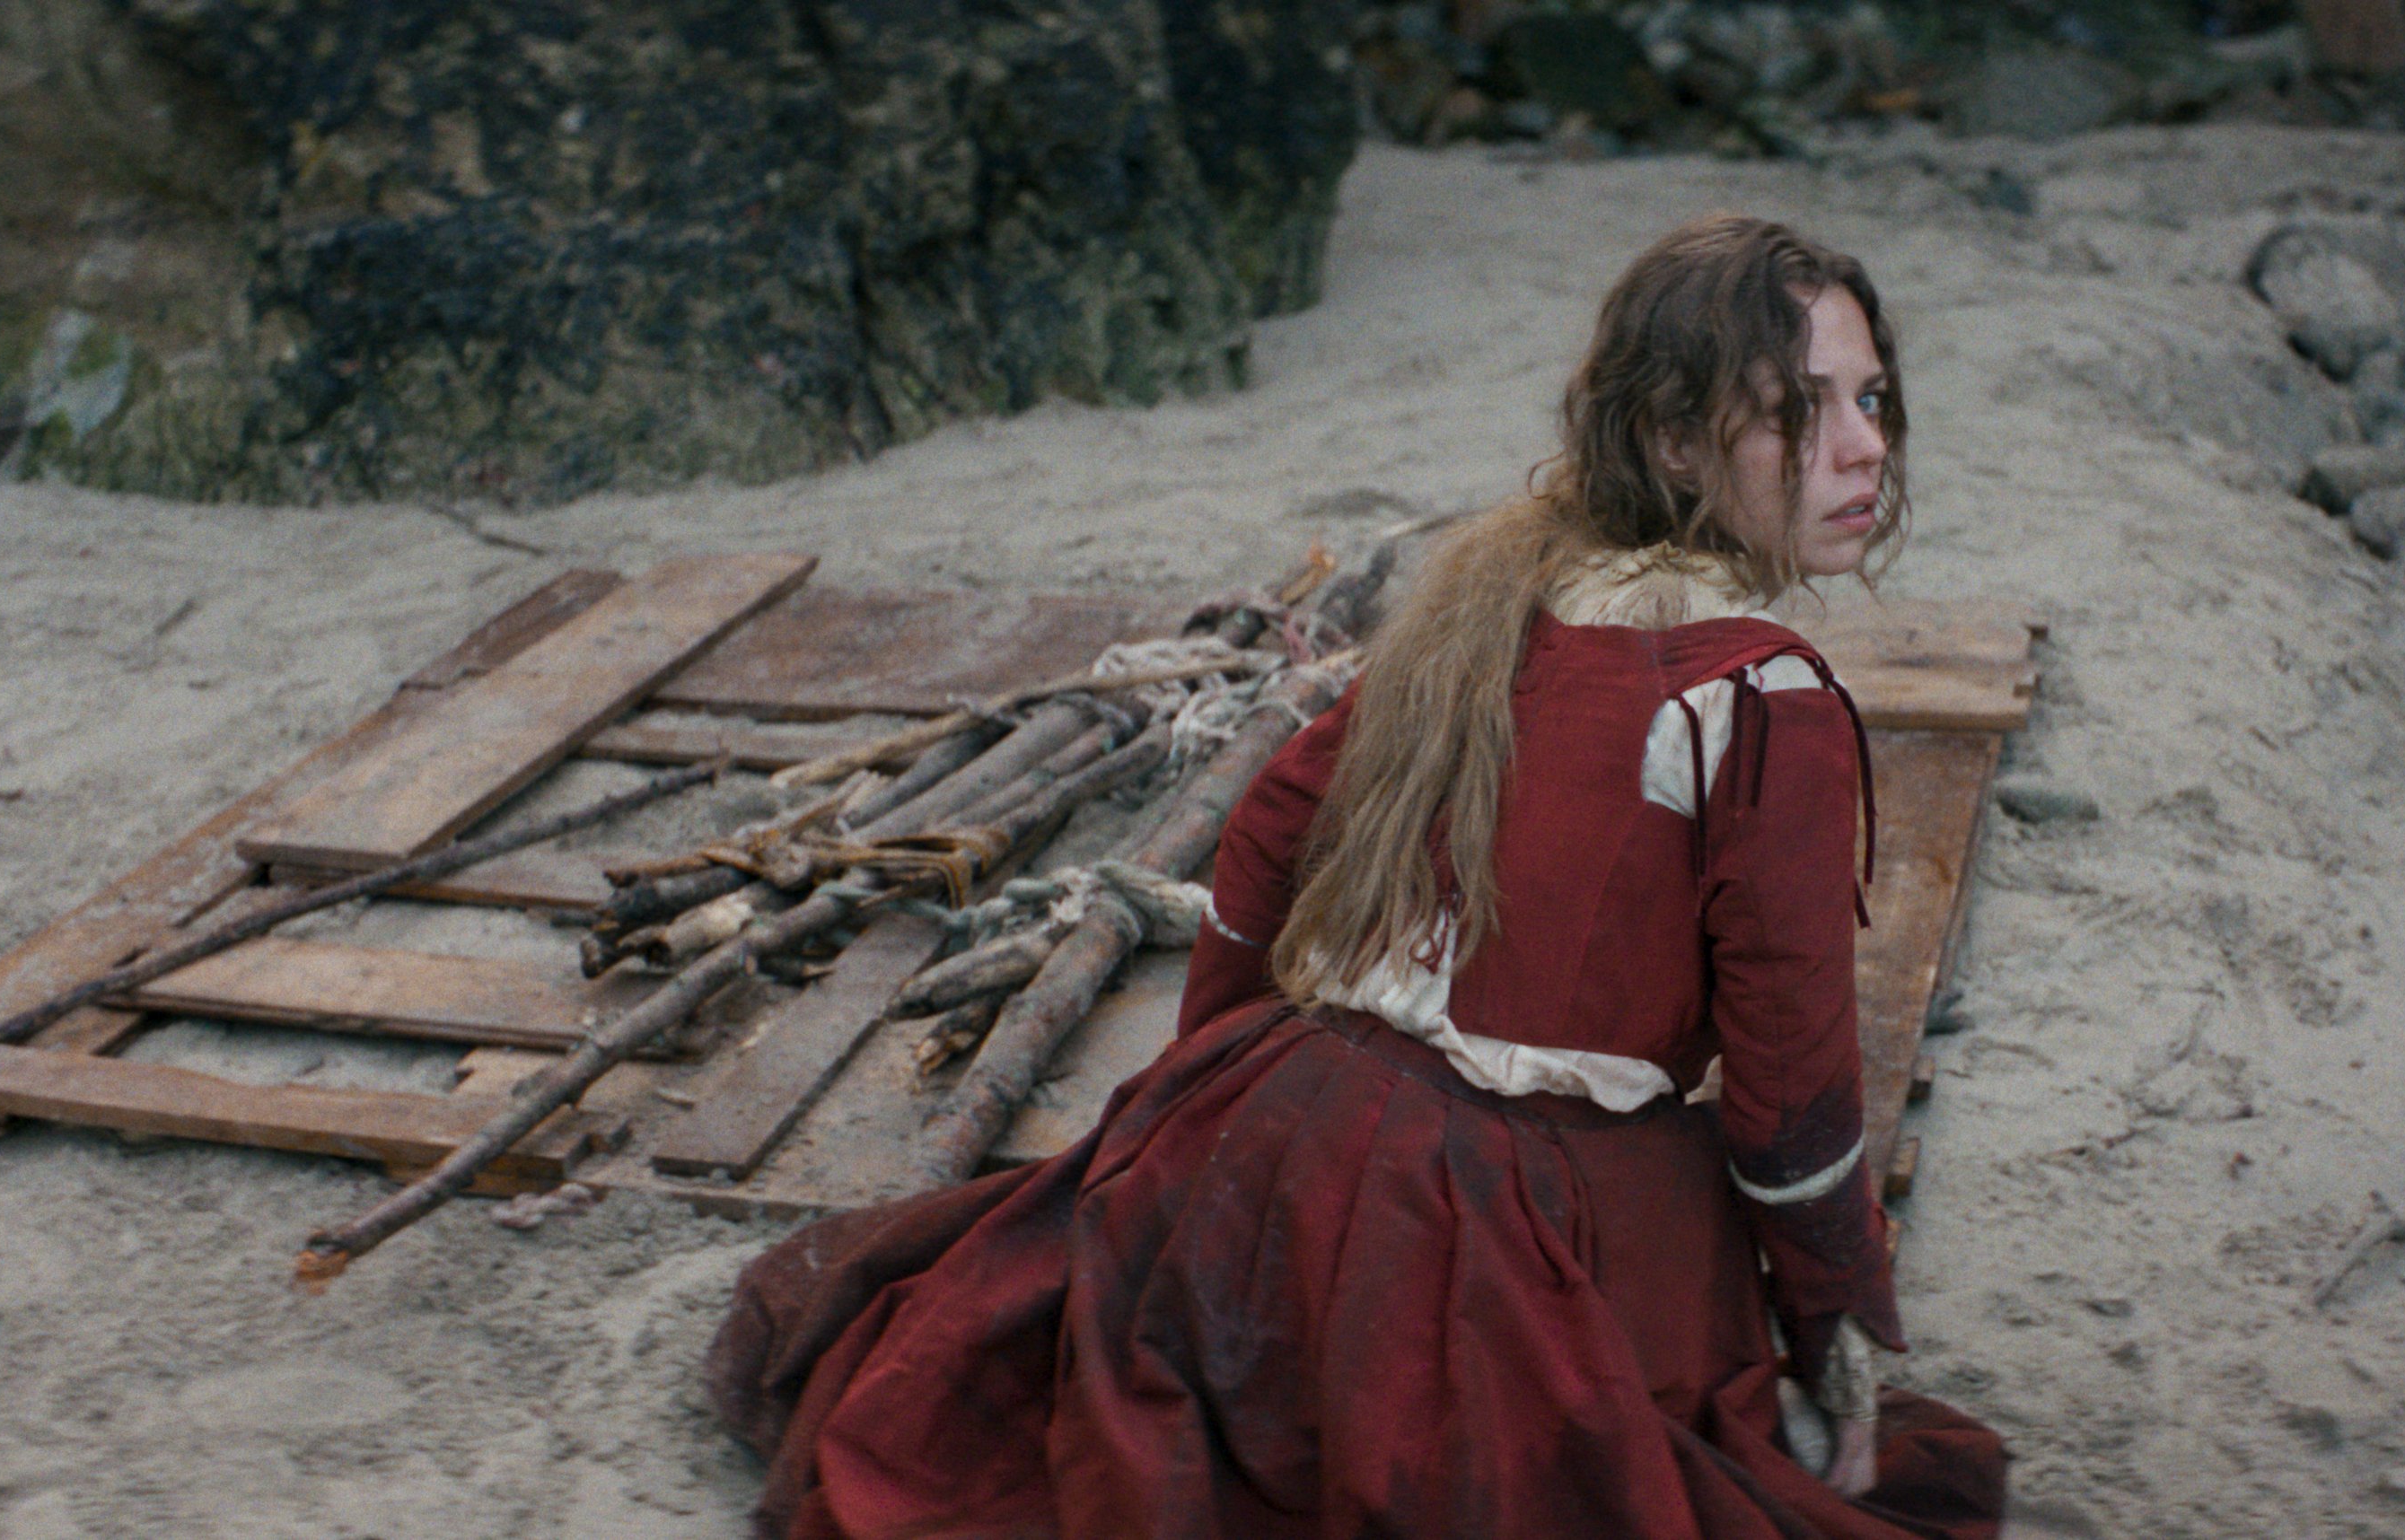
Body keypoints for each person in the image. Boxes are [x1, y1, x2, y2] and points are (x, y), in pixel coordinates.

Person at [706, 214, 2008, 1540]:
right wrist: (1836, 1319)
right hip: (1512, 1214)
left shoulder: (1499, 598)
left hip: (1281, 1116)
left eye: (1871, 400)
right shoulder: (1766, 699)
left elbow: (1270, 832)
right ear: (1676, 440)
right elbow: (1791, 1089)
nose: (1864, 448)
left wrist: (1216, 1107)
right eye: (1798, 411)